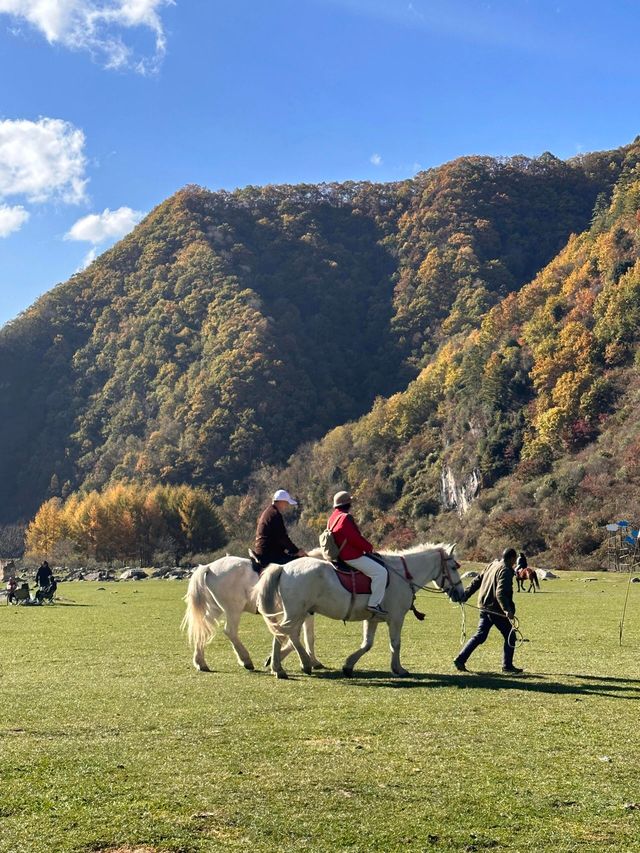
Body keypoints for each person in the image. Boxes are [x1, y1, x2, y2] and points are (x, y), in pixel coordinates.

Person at [453, 547, 523, 675]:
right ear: (513, 559)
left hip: (484, 606)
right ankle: (507, 666)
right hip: (495, 609)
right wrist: (507, 610)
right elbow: (500, 593)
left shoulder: (492, 565)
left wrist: (465, 595)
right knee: (510, 636)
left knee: (480, 635)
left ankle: (460, 659)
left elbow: (477, 581)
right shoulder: (506, 570)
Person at [327, 490, 388, 617]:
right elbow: (354, 538)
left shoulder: (333, 517)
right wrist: (369, 547)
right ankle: (373, 604)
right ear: (348, 504)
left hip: (338, 556)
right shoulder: (345, 518)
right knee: (381, 573)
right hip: (350, 556)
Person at [253, 490, 307, 568]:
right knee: (299, 564)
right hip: (270, 555)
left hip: (264, 552)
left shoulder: (269, 512)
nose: (287, 505)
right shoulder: (275, 514)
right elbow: (282, 537)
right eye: (287, 503)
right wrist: (296, 551)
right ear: (282, 501)